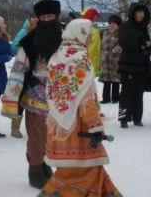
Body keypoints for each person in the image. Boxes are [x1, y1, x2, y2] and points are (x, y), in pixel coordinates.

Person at [38, 19, 123, 197]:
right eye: (88, 35)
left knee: (74, 171)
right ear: (80, 34)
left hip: (59, 127)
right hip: (79, 128)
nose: (91, 40)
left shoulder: (57, 56)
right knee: (81, 172)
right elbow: (86, 99)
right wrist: (95, 126)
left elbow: (52, 93)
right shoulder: (80, 58)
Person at [2, 0, 62, 189]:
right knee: (37, 134)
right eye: (42, 17)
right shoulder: (29, 41)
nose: (46, 20)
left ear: (56, 17)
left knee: (53, 134)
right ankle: (34, 171)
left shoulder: (66, 39)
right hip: (35, 94)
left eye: (49, 16)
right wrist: (12, 99)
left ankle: (45, 165)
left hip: (59, 96)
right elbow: (19, 69)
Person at [117, 3, 150, 128]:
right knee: (125, 93)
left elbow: (147, 42)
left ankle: (137, 118)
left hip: (141, 66)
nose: (142, 14)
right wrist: (141, 45)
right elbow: (124, 43)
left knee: (138, 93)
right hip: (127, 66)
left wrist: (147, 46)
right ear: (133, 13)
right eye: (139, 12)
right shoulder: (125, 26)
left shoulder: (144, 27)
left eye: (143, 12)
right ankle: (123, 118)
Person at [9, 14, 38, 139]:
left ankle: (35, 128)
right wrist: (24, 48)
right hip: (24, 69)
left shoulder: (43, 31)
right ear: (29, 19)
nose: (35, 19)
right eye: (33, 17)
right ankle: (15, 128)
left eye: (38, 17)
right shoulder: (24, 30)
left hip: (39, 69)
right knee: (20, 97)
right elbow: (13, 47)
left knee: (35, 98)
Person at [100, 15, 123, 104]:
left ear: (118, 25)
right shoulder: (105, 33)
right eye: (110, 23)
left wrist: (119, 48)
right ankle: (105, 98)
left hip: (116, 59)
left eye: (114, 23)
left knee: (115, 79)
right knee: (106, 79)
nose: (112, 25)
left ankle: (115, 98)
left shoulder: (121, 34)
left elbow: (123, 45)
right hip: (105, 59)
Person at [81, 8, 102, 77]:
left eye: (82, 17)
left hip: (88, 63)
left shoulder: (92, 31)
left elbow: (92, 49)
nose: (80, 19)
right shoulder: (84, 29)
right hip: (85, 62)